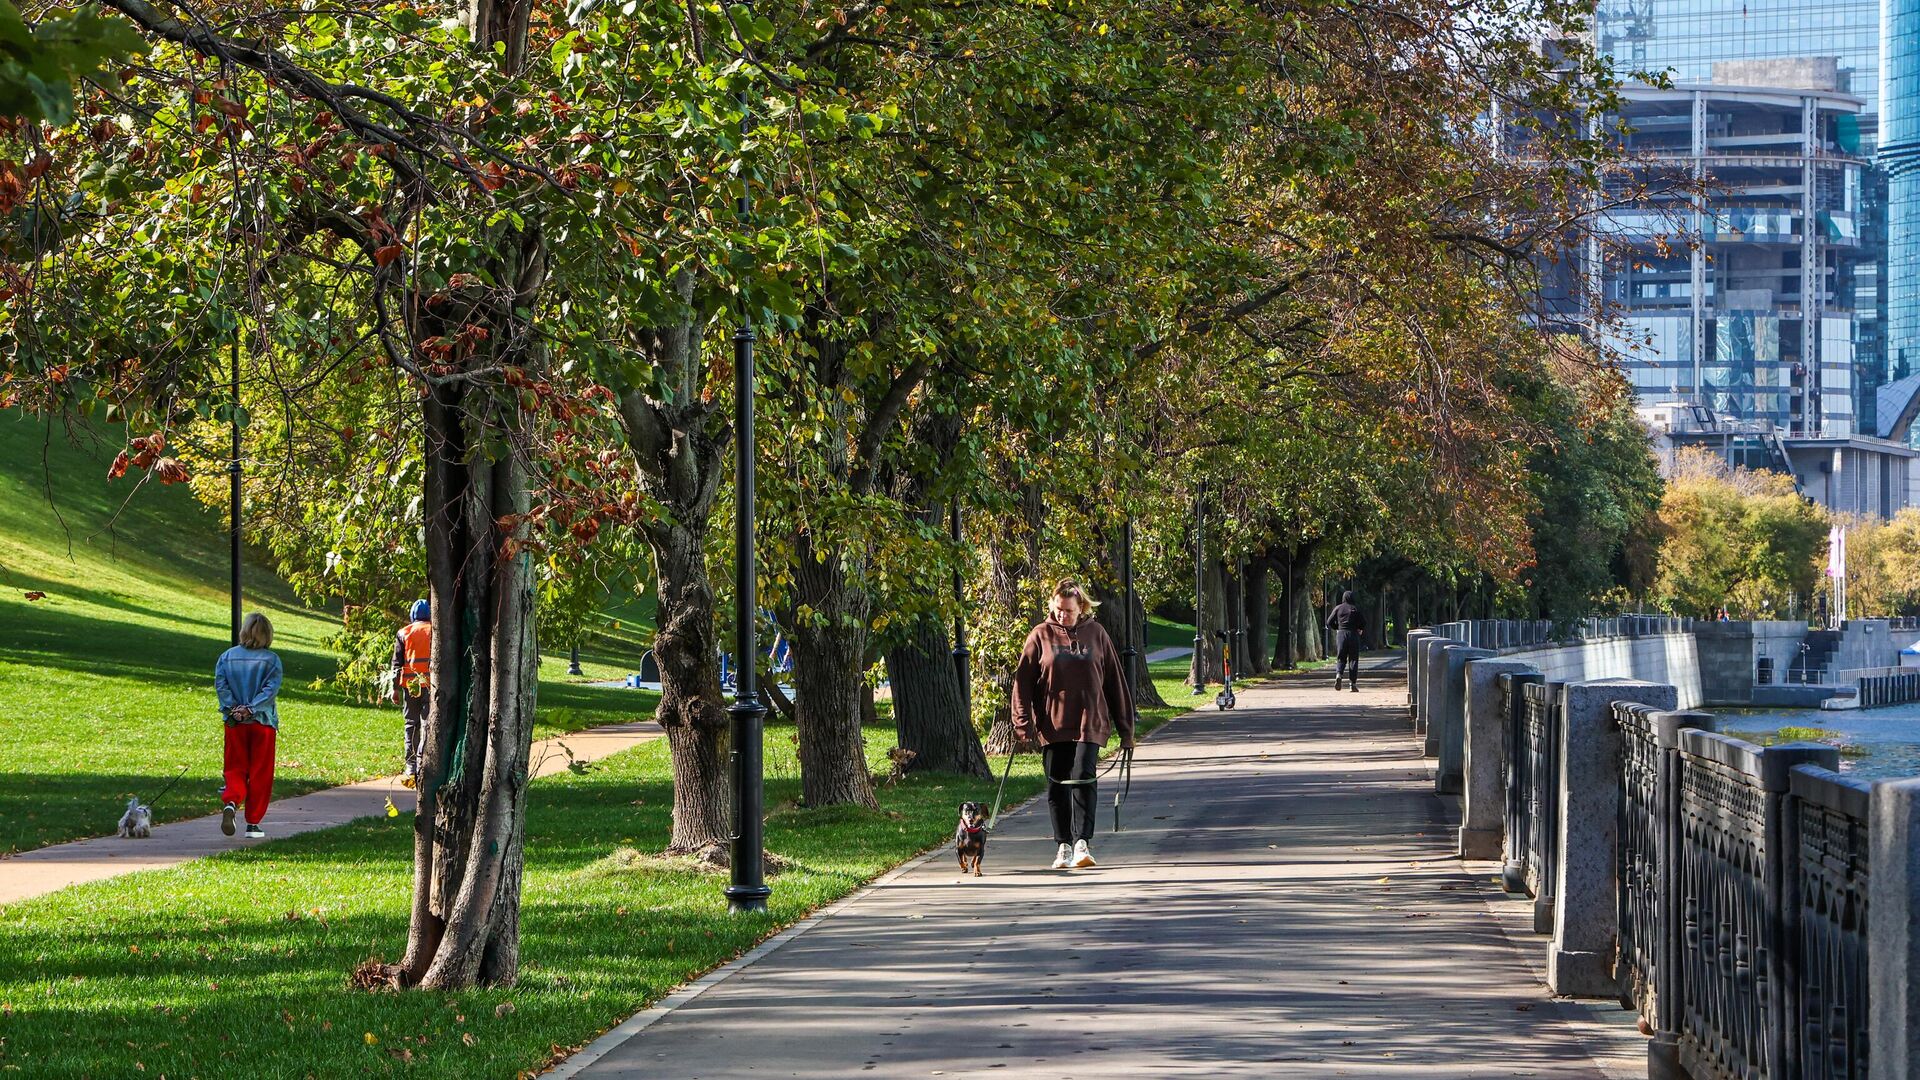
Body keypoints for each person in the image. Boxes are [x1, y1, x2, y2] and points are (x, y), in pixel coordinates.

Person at [1012, 578, 1136, 870]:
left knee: (1083, 775)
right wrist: (1022, 722)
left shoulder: (1097, 634)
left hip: (1090, 720)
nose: (1061, 615)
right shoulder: (1040, 635)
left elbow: (1115, 683)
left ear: (1081, 608)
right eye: (1057, 609)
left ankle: (1083, 843)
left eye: (1067, 610)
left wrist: (1126, 730)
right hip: (1053, 724)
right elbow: (1023, 683)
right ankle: (1063, 845)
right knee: (1057, 784)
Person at [215, 613, 283, 839]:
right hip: (262, 723)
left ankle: (232, 801)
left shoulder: (226, 657)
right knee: (260, 772)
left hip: (235, 723)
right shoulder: (271, 660)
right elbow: (269, 691)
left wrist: (234, 708)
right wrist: (251, 709)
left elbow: (221, 686)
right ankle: (253, 823)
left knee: (235, 767)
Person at [388, 598, 432, 787]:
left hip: (409, 686)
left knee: (411, 725)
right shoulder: (435, 631)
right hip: (431, 686)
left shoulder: (403, 633)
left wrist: (394, 689)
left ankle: (411, 766)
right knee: (427, 725)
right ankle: (424, 762)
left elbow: (396, 664)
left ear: (413, 615)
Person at [1326, 590, 1367, 693]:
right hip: (1353, 634)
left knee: (1341, 658)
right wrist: (1359, 628)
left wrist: (1337, 627)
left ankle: (1339, 674)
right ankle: (1352, 684)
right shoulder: (1355, 609)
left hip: (1341, 634)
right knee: (1353, 659)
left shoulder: (1338, 608)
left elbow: (1329, 621)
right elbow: (1363, 622)